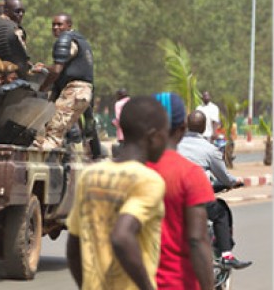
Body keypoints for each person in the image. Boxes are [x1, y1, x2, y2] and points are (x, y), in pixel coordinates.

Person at [66, 96, 168, 290]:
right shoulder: (147, 180)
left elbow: (74, 247)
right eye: (165, 134)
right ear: (153, 136)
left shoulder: (90, 175)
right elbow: (122, 236)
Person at [146, 93, 215, 290]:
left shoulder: (132, 170)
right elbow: (197, 240)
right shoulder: (190, 174)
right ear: (182, 129)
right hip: (176, 283)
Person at [178, 110, 252, 269]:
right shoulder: (209, 149)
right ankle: (226, 255)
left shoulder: (173, 146)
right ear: (205, 127)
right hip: (198, 201)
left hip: (173, 200)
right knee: (221, 211)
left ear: (186, 125)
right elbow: (224, 178)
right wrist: (235, 181)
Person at [32, 13, 94, 150]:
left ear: (69, 26)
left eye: (59, 24)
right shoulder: (81, 41)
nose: (55, 27)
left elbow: (56, 70)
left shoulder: (66, 39)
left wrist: (42, 88)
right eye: (53, 25)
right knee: (63, 131)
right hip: (80, 92)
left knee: (53, 133)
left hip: (74, 91)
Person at [0, 0, 30, 77]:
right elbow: (23, 57)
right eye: (17, 11)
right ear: (6, 11)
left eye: (23, 12)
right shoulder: (16, 29)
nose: (21, 14)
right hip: (12, 76)